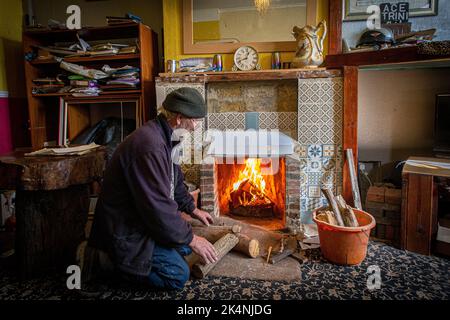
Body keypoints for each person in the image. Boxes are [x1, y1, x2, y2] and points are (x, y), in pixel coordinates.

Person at [88, 87, 218, 290]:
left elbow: (175, 183)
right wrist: (192, 238)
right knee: (178, 275)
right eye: (194, 121)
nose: (195, 127)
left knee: (183, 247)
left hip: (142, 219)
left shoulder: (168, 137)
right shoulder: (150, 146)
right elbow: (157, 207)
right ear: (178, 117)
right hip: (125, 229)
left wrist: (192, 208)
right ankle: (109, 262)